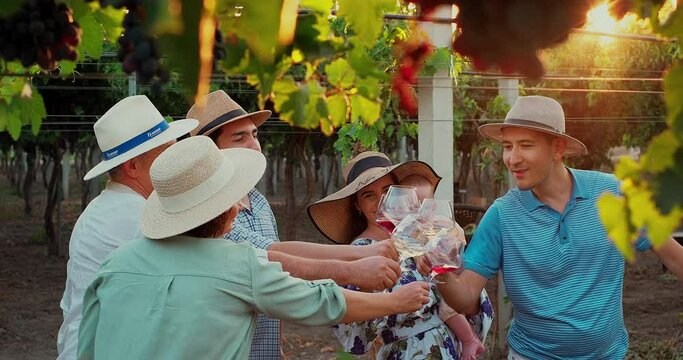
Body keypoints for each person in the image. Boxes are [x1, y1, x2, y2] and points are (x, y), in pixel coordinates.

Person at [76, 136, 432, 360]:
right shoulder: (234, 263)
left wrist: (359, 257)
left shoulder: (116, 264)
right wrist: (393, 301)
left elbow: (87, 348)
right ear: (226, 209)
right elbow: (320, 301)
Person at [436, 95, 683, 360]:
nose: (512, 158)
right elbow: (465, 298)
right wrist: (439, 270)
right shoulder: (502, 215)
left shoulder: (612, 193)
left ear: (557, 148)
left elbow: (673, 256)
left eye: (525, 145)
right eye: (508, 146)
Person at [187, 90, 402, 359]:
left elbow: (276, 278)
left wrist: (276, 345)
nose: (254, 145)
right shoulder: (210, 212)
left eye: (254, 134)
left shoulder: (259, 201)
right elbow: (274, 257)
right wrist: (358, 261)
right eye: (239, 137)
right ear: (211, 151)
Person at [308, 151, 493, 359]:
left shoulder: (423, 234)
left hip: (449, 348)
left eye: (388, 191)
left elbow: (468, 296)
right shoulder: (357, 252)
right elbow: (355, 333)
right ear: (357, 205)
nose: (380, 202)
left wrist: (449, 263)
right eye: (369, 195)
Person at [56, 95, 198, 360]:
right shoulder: (138, 216)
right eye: (166, 153)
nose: (175, 161)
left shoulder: (107, 207)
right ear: (132, 166)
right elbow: (207, 266)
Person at [400, 174, 486, 360]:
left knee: (447, 308)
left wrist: (450, 242)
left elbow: (457, 237)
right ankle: (471, 338)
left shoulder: (441, 223)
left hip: (452, 273)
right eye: (413, 208)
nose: (419, 213)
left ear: (432, 206)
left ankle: (469, 340)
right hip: (444, 275)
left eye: (425, 206)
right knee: (450, 307)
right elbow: (416, 253)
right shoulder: (411, 230)